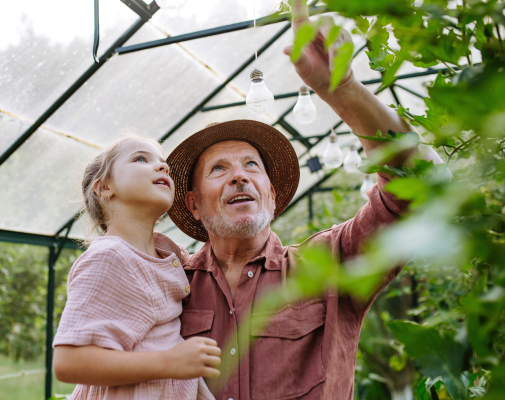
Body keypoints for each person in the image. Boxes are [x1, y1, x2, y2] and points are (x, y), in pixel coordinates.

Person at [163, 6, 446, 400]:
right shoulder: (169, 283)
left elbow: (420, 186)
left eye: (251, 165)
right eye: (219, 169)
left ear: (271, 194)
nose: (239, 176)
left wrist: (343, 89)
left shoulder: (331, 264)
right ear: (193, 205)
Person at [52, 136, 219, 399]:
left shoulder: (168, 253)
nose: (163, 168)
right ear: (105, 187)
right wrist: (170, 362)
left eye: (165, 165)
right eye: (141, 159)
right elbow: (68, 362)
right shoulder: (109, 256)